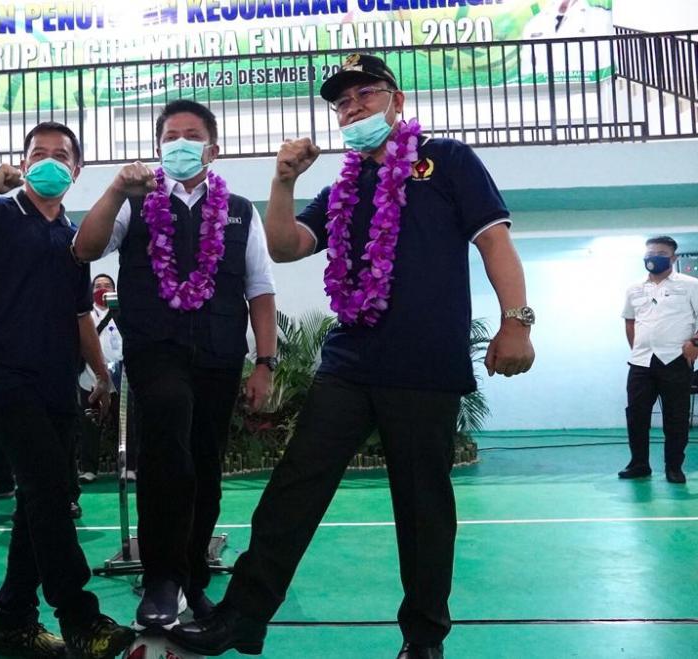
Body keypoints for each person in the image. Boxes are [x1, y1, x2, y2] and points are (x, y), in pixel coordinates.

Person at [170, 54, 536, 659]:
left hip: (426, 367)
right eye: (343, 102)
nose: (355, 107)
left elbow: (494, 240)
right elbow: (286, 247)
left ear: (397, 98)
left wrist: (516, 322)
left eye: (366, 94)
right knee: (292, 488)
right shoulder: (343, 188)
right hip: (349, 363)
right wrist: (284, 179)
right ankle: (244, 617)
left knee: (422, 509)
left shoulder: (446, 160)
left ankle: (423, 638)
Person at [0, 121, 135, 658]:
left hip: (57, 383)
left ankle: (12, 624)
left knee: (39, 501)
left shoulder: (74, 237)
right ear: (23, 161)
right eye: (40, 153)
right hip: (3, 377)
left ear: (77, 170)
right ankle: (79, 616)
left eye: (62, 155)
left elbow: (81, 313)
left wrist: (101, 376)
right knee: (48, 492)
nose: (51, 161)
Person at [74, 99, 278, 628]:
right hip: (155, 350)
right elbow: (85, 247)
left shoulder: (241, 211)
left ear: (213, 147)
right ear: (158, 146)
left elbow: (259, 289)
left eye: (191, 135)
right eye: (170, 135)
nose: (180, 143)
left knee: (205, 465)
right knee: (169, 449)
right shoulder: (137, 201)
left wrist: (265, 363)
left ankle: (191, 579)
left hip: (217, 354)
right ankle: (162, 579)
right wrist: (117, 188)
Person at [619, 236, 698, 484]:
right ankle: (639, 464)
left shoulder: (690, 285)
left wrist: (694, 345)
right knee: (636, 414)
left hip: (676, 359)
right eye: (650, 253)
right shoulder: (634, 288)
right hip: (641, 362)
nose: (654, 257)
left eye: (661, 253)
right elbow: (629, 321)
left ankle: (674, 467)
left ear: (673, 258)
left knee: (676, 416)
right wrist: (637, 350)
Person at [76, 273, 125, 484]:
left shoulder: (122, 312)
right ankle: (89, 468)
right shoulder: (86, 314)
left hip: (120, 379)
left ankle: (128, 467)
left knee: (125, 426)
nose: (102, 289)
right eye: (97, 285)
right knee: (89, 425)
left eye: (107, 285)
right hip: (89, 377)